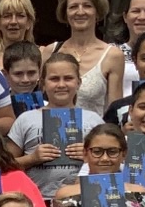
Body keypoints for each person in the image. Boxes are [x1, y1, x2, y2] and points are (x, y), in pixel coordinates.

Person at [9, 52, 102, 197]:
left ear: (78, 83)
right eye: (54, 79)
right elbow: (5, 164)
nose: (61, 85)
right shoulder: (26, 119)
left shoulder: (94, 120)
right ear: (43, 84)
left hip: (84, 198)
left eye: (68, 78)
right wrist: (32, 158)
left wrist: (90, 155)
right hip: (38, 200)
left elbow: (111, 163)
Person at [43, 0, 126, 115]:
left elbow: (115, 112)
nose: (80, 12)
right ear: (65, 13)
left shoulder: (113, 56)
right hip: (54, 127)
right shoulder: (50, 52)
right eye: (73, 7)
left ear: (97, 12)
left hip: (95, 128)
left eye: (87, 6)